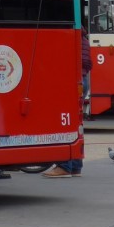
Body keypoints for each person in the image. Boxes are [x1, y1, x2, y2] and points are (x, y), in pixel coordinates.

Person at [44, 26, 92, 179]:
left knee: (64, 122)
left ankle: (64, 165)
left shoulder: (71, 37)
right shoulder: (84, 39)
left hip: (73, 80)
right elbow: (88, 63)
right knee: (76, 123)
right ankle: (76, 165)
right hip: (83, 80)